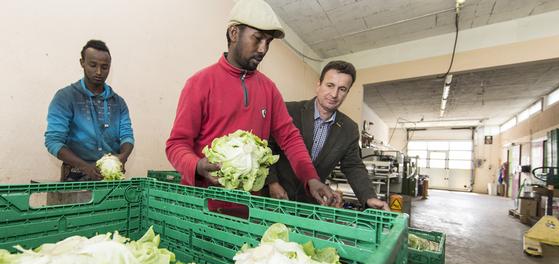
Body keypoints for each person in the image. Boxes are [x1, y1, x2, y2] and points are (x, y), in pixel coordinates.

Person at [166, 0, 337, 208]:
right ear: (234, 33)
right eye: (257, 39)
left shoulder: (269, 89)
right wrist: (196, 166)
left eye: (268, 42)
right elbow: (176, 145)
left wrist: (311, 178)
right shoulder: (200, 83)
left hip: (249, 208)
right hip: (202, 206)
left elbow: (290, 138)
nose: (263, 49)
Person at [266, 61, 390, 211]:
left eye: (342, 89)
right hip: (273, 196)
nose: (334, 94)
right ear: (318, 85)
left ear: (347, 92)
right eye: (330, 85)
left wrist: (369, 197)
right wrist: (272, 182)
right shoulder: (289, 110)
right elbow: (267, 146)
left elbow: (353, 166)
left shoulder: (349, 129)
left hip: (310, 204)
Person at [45, 39, 134, 181]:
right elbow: (53, 141)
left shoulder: (119, 103)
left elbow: (127, 136)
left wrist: (122, 157)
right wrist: (85, 166)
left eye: (104, 67)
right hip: (75, 176)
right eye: (93, 65)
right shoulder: (65, 98)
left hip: (110, 177)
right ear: (82, 63)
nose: (99, 72)